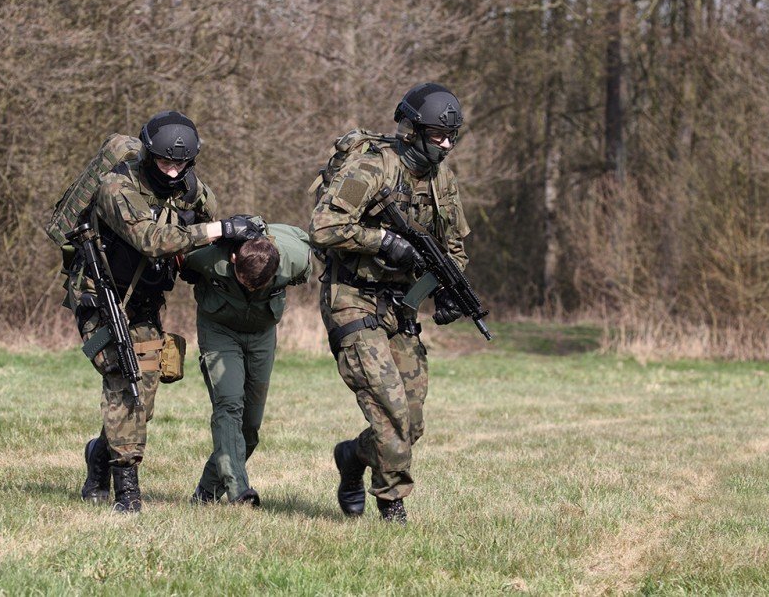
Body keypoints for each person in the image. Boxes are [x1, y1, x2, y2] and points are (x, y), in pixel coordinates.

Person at [309, 83, 471, 523]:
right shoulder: (374, 167)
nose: (446, 145)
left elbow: (453, 248)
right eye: (438, 136)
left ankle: (353, 456)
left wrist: (446, 289)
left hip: (400, 306)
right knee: (390, 410)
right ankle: (391, 503)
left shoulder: (443, 181)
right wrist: (381, 240)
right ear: (413, 129)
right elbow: (322, 227)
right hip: (353, 299)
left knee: (411, 422)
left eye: (451, 136)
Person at [69, 110, 226, 513]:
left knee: (145, 399)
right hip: (102, 298)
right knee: (124, 381)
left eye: (181, 164)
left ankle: (99, 455)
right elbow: (151, 240)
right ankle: (126, 490)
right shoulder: (117, 187)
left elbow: (208, 228)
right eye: (164, 162)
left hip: (145, 301)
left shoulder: (191, 189)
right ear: (149, 155)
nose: (172, 172)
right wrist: (218, 230)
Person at [183, 216, 312, 506]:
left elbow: (313, 246)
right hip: (219, 331)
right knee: (229, 405)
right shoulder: (210, 258)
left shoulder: (294, 257)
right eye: (246, 283)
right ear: (232, 260)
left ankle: (205, 494)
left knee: (249, 429)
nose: (253, 289)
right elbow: (176, 250)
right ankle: (239, 491)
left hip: (262, 335)